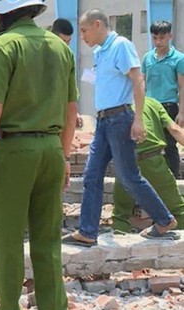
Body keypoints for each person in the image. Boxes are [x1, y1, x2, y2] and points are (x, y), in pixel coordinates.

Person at [0, 0, 78, 310]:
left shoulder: (5, 45)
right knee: (48, 241)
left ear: (3, 14)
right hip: (50, 149)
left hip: (15, 150)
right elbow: (71, 108)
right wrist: (64, 154)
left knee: (8, 240)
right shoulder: (60, 47)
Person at [63, 9, 178, 247]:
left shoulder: (121, 45)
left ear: (97, 25)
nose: (82, 36)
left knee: (128, 176)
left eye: (84, 30)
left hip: (120, 118)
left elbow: (138, 80)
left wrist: (138, 120)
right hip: (104, 121)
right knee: (91, 175)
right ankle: (87, 231)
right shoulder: (100, 52)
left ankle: (164, 220)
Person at [113, 98, 184, 233]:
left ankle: (118, 247)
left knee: (121, 215)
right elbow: (174, 129)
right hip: (153, 161)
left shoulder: (115, 105)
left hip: (126, 161)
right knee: (177, 209)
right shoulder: (152, 103)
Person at [142, 21, 184, 177]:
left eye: (162, 38)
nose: (158, 42)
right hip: (150, 107)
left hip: (169, 106)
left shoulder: (179, 59)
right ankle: (153, 177)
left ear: (170, 36)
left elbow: (182, 86)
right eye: (155, 38)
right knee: (150, 145)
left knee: (170, 144)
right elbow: (142, 83)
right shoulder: (147, 58)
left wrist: (182, 111)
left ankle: (173, 176)